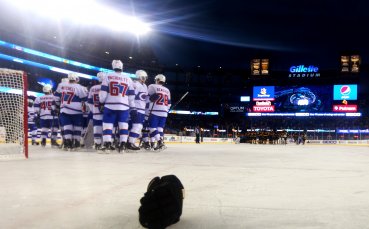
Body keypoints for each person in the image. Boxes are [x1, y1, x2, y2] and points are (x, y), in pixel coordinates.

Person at [99, 60, 136, 152]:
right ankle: (122, 144)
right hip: (124, 106)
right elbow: (131, 96)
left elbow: (103, 93)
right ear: (122, 67)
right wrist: (133, 107)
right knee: (123, 125)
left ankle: (107, 144)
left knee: (107, 125)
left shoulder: (108, 76)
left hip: (110, 104)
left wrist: (102, 102)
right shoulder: (128, 78)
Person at [55, 73, 88, 150]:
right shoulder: (80, 87)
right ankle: (76, 143)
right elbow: (85, 100)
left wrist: (58, 106)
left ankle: (67, 143)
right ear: (76, 79)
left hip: (64, 110)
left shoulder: (61, 85)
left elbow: (56, 98)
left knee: (67, 127)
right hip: (76, 111)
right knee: (77, 127)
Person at [146, 74, 171, 150]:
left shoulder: (152, 86)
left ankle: (160, 142)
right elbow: (169, 104)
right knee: (160, 128)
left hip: (155, 110)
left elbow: (146, 99)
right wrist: (166, 109)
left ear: (156, 79)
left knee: (152, 128)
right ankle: (160, 143)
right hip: (164, 112)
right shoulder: (167, 90)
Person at [127, 70, 148, 150]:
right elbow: (131, 97)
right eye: (144, 77)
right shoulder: (135, 84)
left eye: (145, 77)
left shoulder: (145, 86)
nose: (145, 79)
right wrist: (133, 108)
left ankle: (127, 141)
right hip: (136, 108)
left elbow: (144, 99)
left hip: (141, 109)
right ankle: (130, 142)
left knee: (136, 126)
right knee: (137, 126)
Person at [87, 72, 105, 150]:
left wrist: (93, 110)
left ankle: (97, 143)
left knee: (97, 127)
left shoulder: (92, 88)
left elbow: (89, 101)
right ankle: (107, 143)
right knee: (107, 128)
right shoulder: (106, 87)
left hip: (95, 112)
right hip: (106, 112)